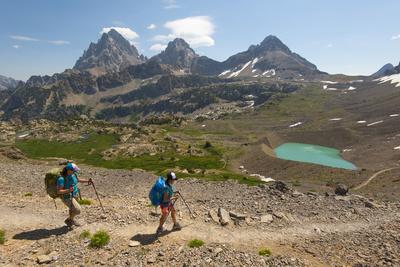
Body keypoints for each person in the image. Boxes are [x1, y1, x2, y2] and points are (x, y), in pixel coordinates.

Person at [57, 163, 91, 227]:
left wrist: (87, 181)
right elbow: (59, 191)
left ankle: (70, 221)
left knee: (72, 209)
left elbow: (78, 180)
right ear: (69, 170)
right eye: (74, 170)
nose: (75, 171)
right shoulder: (61, 179)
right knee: (78, 210)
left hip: (75, 194)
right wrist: (69, 190)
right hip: (67, 197)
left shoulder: (74, 174)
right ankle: (69, 220)